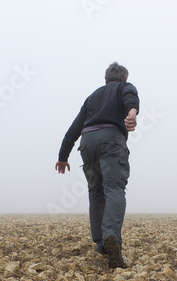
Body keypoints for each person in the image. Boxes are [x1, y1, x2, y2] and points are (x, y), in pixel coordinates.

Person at [55, 62, 139, 269]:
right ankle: (111, 234)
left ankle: (101, 243)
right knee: (114, 188)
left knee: (95, 191)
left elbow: (74, 127)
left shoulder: (92, 97)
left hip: (88, 141)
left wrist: (63, 156)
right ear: (125, 78)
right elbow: (130, 96)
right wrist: (132, 112)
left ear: (105, 80)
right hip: (110, 139)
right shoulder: (124, 87)